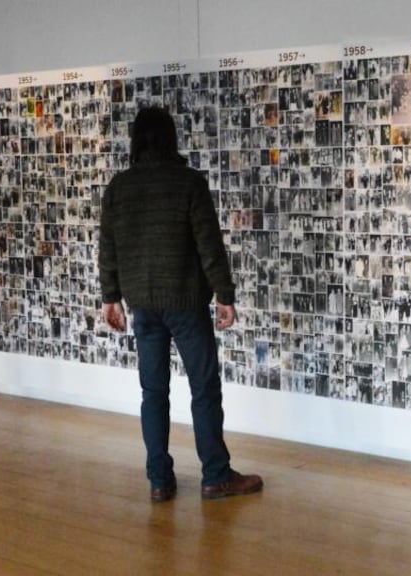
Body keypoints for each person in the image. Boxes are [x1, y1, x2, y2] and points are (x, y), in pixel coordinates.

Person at [99, 106, 262, 503]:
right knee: (204, 388)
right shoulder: (188, 183)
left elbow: (108, 249)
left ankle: (160, 481)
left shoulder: (119, 188)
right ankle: (215, 477)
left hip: (143, 305)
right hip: (186, 303)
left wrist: (111, 297)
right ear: (171, 138)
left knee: (153, 392)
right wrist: (225, 295)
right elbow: (209, 245)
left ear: (136, 141)